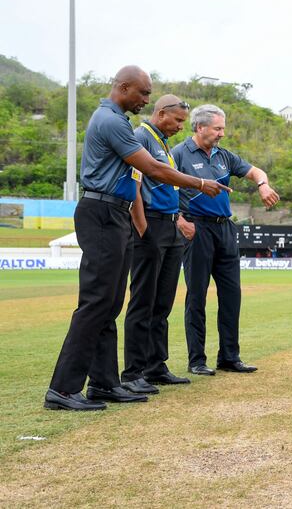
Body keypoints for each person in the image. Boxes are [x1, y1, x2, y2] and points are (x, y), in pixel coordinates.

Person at [44, 66, 229, 411]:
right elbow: (153, 170)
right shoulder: (112, 121)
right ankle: (64, 389)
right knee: (97, 302)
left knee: (110, 302)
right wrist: (200, 183)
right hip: (102, 212)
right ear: (124, 88)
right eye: (143, 93)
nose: (146, 99)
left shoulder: (117, 121)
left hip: (114, 213)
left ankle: (104, 383)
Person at [173, 104, 280, 376]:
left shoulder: (224, 156)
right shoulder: (178, 154)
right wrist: (179, 220)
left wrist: (263, 184)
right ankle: (197, 360)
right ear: (200, 127)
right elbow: (160, 187)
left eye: (223, 128)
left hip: (225, 229)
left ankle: (230, 357)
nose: (222, 133)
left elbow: (255, 171)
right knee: (196, 296)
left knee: (232, 295)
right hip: (197, 230)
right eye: (217, 128)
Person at [121, 95, 193, 395]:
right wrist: (142, 228)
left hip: (170, 225)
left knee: (162, 302)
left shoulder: (163, 142)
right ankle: (132, 372)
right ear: (161, 113)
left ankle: (155, 364)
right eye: (177, 120)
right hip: (150, 224)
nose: (179, 127)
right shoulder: (142, 138)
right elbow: (134, 187)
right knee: (142, 300)